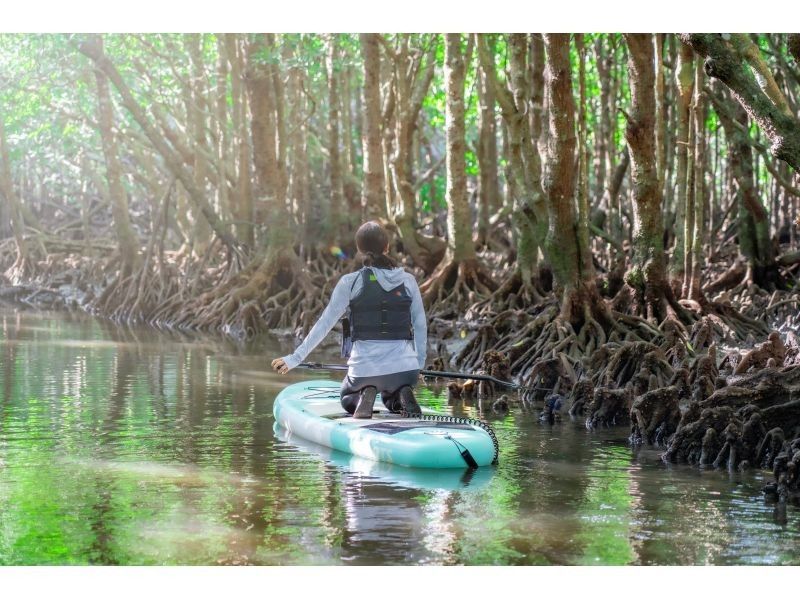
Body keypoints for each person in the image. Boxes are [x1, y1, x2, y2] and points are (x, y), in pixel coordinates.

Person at [271, 221, 427, 419]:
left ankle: (365, 392)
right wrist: (418, 364)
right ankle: (403, 392)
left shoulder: (350, 282)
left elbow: (325, 323)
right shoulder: (408, 280)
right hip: (406, 371)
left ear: (359, 250)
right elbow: (420, 326)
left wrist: (294, 358)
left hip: (364, 371)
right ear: (387, 247)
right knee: (392, 399)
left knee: (347, 399)